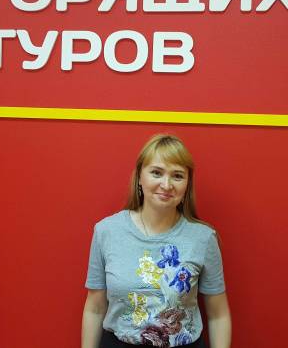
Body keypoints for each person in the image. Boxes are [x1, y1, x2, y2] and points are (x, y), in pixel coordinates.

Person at [82, 134, 231, 347]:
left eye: (177, 176)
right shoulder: (107, 231)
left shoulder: (204, 238)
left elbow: (218, 315)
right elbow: (95, 309)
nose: (166, 184)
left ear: (187, 184)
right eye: (156, 173)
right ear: (139, 177)